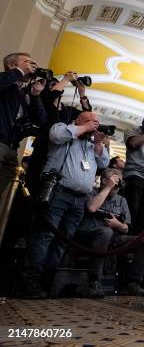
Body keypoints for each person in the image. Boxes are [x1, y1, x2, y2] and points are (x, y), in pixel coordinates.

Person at [20, 111, 109, 298]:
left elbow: (104, 162)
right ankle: (30, 282)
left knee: (63, 240)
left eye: (98, 124)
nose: (96, 126)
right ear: (79, 121)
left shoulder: (91, 144)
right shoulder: (63, 128)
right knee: (44, 235)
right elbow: (56, 136)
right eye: (93, 122)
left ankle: (47, 282)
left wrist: (99, 143)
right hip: (58, 192)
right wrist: (84, 128)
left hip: (80, 199)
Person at [74, 168, 144, 297]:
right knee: (105, 232)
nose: (117, 184)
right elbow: (92, 208)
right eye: (114, 180)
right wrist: (108, 188)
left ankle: (133, 282)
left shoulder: (122, 200)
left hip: (114, 238)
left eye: (119, 181)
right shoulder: (90, 192)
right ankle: (94, 281)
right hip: (89, 235)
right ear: (104, 180)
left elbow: (126, 228)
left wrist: (118, 224)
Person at [1, 53, 46, 212]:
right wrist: (19, 72)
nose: (33, 65)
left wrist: (35, 97)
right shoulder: (5, 84)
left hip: (12, 148)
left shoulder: (24, 93)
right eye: (27, 62)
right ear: (12, 66)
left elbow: (40, 120)